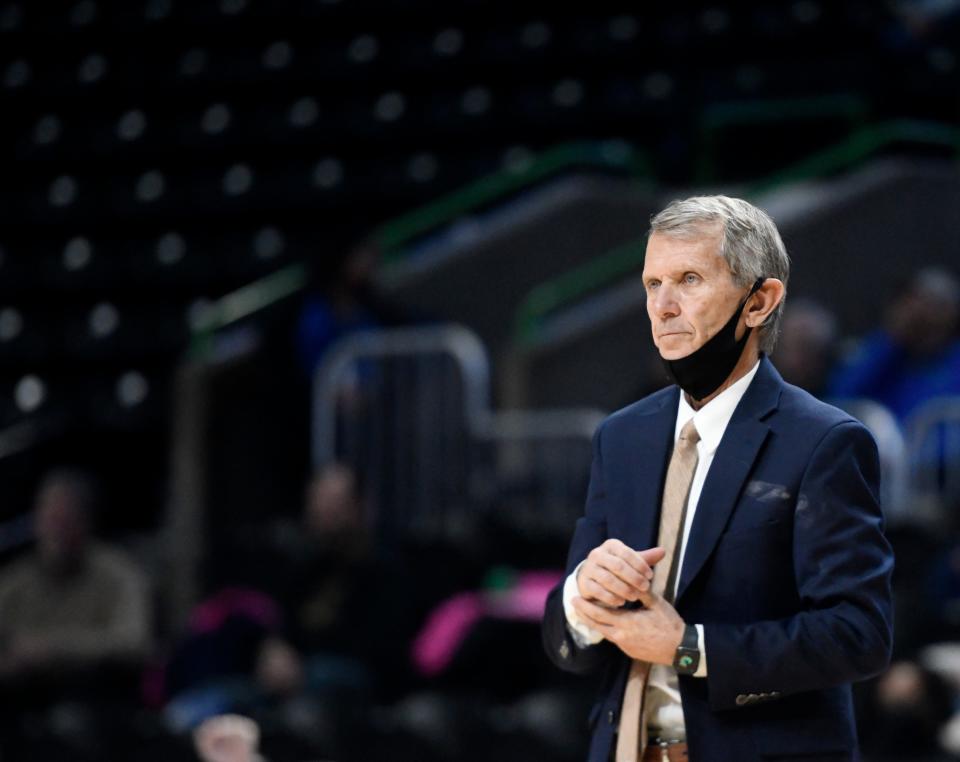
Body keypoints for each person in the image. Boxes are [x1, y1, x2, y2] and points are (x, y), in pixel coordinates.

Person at [541, 196, 894, 762]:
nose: (663, 306)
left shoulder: (824, 442)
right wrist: (582, 598)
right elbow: (567, 642)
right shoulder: (621, 436)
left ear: (760, 302)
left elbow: (858, 634)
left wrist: (688, 649)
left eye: (688, 279)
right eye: (652, 284)